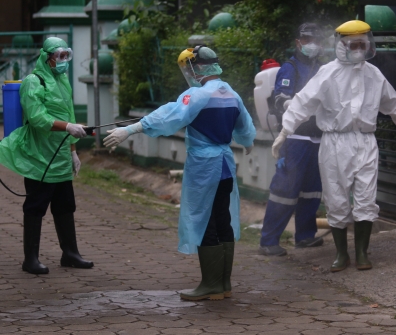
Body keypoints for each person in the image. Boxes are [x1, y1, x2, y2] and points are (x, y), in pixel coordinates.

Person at [272, 20, 396, 272]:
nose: (358, 49)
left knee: (366, 197)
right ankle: (341, 254)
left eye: (362, 44)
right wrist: (285, 131)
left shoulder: (373, 74)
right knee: (336, 198)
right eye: (353, 44)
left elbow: (392, 103)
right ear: (341, 46)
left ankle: (363, 253)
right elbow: (302, 103)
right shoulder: (327, 73)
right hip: (334, 142)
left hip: (365, 141)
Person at [103, 45, 256, 300]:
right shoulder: (231, 94)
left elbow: (169, 116)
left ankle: (210, 284)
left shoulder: (197, 95)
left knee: (205, 220)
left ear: (197, 68)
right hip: (226, 165)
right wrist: (248, 141)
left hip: (204, 167)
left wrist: (131, 129)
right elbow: (246, 129)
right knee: (222, 220)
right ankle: (224, 284)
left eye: (189, 67)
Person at [0, 37, 93, 274]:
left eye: (66, 56)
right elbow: (37, 118)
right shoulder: (34, 81)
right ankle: (30, 259)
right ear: (47, 57)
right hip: (39, 155)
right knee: (36, 205)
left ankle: (70, 253)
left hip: (60, 154)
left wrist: (73, 151)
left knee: (65, 205)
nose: (63, 61)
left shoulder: (62, 80)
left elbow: (70, 112)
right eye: (59, 56)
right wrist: (67, 127)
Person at [259, 23, 325, 256]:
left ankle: (305, 236)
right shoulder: (290, 68)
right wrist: (290, 104)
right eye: (307, 40)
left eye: (315, 40)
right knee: (285, 190)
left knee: (312, 191)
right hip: (295, 137)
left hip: (318, 138)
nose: (311, 44)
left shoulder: (323, 69)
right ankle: (269, 241)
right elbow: (279, 98)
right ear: (298, 42)